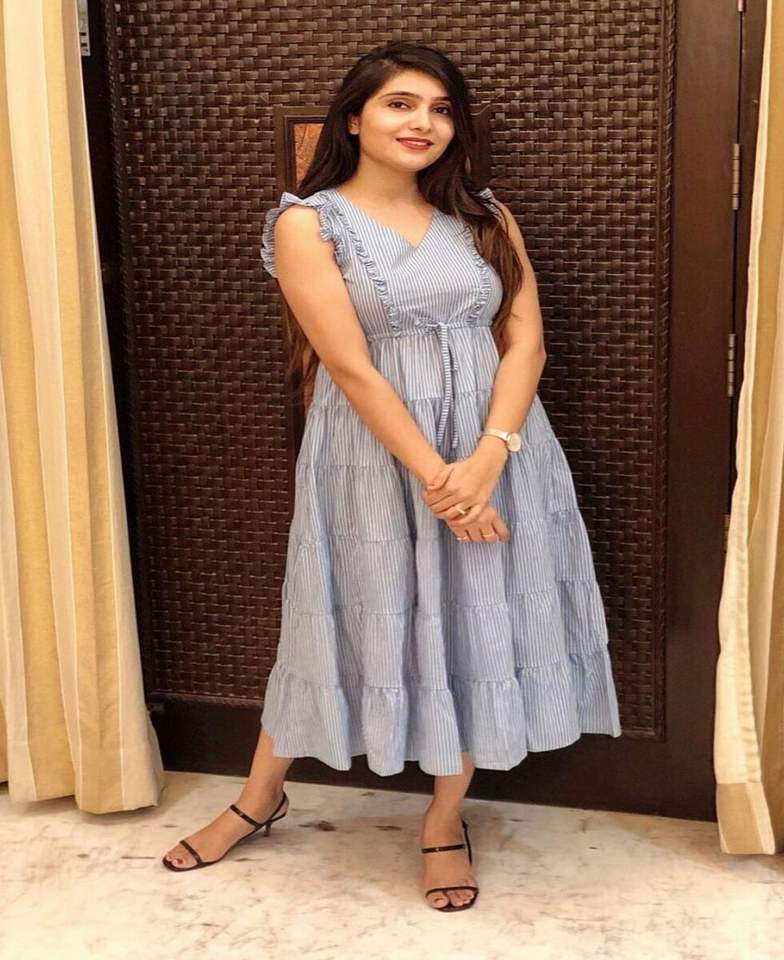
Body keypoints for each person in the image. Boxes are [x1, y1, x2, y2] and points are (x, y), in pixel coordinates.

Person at [162, 40, 622, 913]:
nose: (424, 123)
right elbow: (351, 367)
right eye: (401, 104)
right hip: (372, 462)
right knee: (332, 619)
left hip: (499, 452)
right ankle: (258, 799)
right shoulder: (310, 224)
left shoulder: (484, 216)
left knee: (474, 620)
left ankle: (445, 819)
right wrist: (440, 480)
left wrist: (487, 459)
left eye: (441, 109)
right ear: (354, 118)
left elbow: (526, 340)